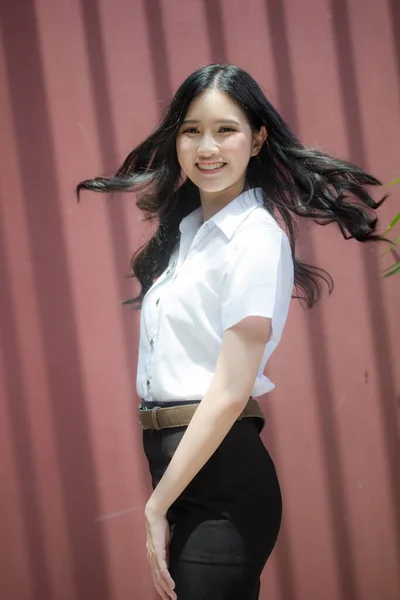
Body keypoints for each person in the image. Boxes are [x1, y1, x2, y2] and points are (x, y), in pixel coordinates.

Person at [77, 64, 386, 600]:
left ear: (258, 137)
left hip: (222, 478)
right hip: (181, 468)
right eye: (192, 130)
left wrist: (154, 507)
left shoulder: (255, 237)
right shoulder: (187, 237)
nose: (207, 146)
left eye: (226, 129)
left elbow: (228, 390)